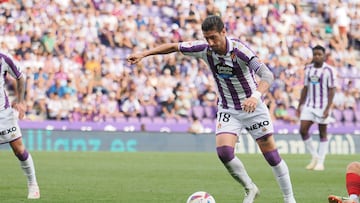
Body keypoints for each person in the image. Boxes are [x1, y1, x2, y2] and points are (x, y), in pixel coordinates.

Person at [127, 15, 296, 203]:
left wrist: (255, 97)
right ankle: (250, 188)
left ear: (224, 32)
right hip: (228, 108)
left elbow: (267, 75)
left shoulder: (241, 51)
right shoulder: (204, 49)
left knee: (271, 155)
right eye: (207, 38)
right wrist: (144, 54)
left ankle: (289, 199)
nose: (210, 42)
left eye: (214, 37)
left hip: (252, 107)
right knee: (224, 152)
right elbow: (174, 46)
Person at [0, 52, 40, 199]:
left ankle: (33, 184)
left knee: (18, 148)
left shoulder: (3, 59)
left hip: (3, 114)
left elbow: (20, 77)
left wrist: (21, 101)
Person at [296, 45, 336, 171]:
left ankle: (321, 162)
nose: (317, 56)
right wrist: (299, 105)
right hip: (309, 105)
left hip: (323, 105)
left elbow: (332, 90)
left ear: (324, 56)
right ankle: (315, 156)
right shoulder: (308, 69)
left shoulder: (329, 70)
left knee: (322, 133)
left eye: (319, 54)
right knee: (303, 130)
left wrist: (327, 108)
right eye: (315, 54)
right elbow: (305, 88)